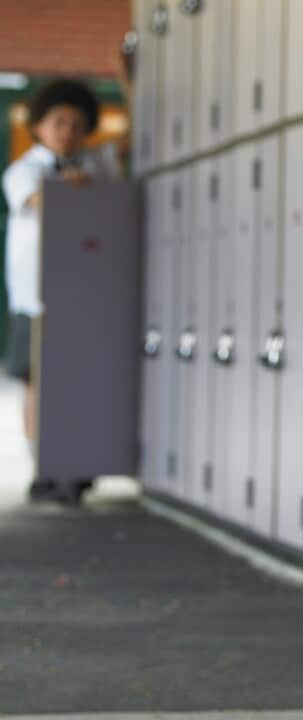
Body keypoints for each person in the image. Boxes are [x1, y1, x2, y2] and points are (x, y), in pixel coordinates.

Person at [3, 78, 123, 504]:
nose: (67, 132)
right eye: (58, 122)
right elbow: (37, 200)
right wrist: (68, 190)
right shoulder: (24, 170)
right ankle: (45, 465)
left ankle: (76, 462)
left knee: (79, 381)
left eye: (76, 124)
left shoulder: (97, 167)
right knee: (37, 381)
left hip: (85, 294)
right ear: (39, 126)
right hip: (35, 295)